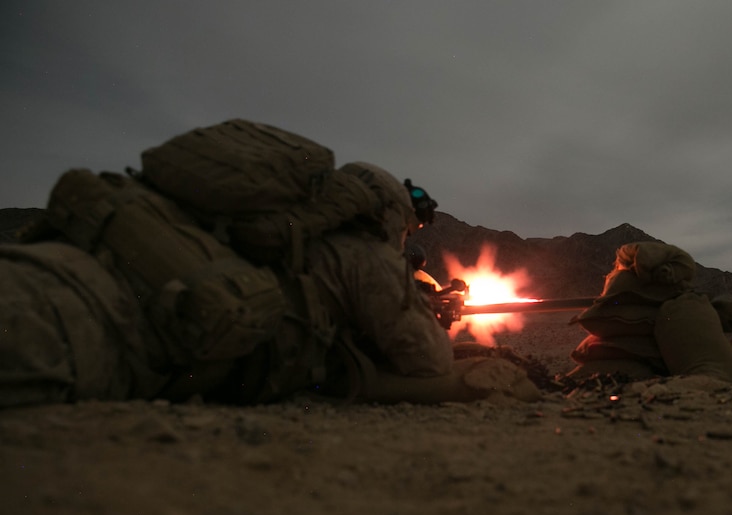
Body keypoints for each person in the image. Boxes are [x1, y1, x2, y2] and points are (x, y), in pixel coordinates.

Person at [0, 157, 539, 408]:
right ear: (388, 216)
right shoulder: (362, 256)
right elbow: (428, 363)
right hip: (92, 334)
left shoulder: (271, 232)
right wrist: (429, 320)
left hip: (61, 266)